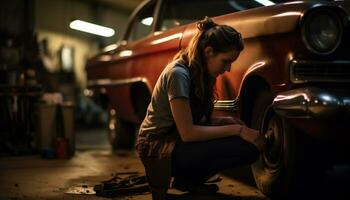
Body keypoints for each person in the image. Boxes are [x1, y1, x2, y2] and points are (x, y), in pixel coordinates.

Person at [136, 17, 266, 200]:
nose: (228, 69)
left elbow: (198, 121)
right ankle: (184, 178)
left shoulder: (202, 72)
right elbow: (188, 132)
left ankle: (188, 181)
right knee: (241, 145)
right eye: (225, 61)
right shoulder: (178, 74)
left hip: (175, 139)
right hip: (156, 145)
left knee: (248, 149)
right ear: (209, 51)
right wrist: (239, 130)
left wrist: (224, 121)